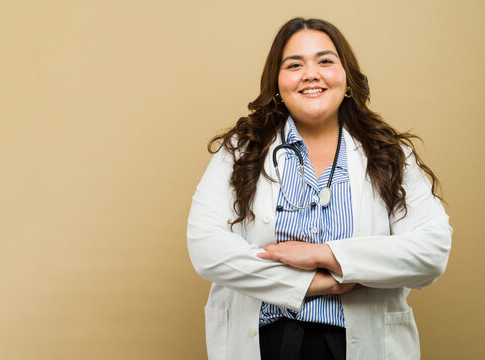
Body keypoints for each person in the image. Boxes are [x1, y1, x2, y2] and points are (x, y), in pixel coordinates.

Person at [187, 17, 451, 360]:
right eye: (294, 64)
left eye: (325, 61)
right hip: (267, 343)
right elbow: (206, 246)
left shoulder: (388, 153)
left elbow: (431, 252)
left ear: (348, 79)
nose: (311, 73)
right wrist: (312, 283)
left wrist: (326, 255)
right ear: (277, 84)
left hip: (358, 345)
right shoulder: (242, 149)